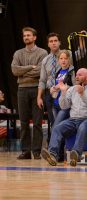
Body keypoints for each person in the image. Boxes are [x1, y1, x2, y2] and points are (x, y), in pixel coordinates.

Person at [41, 68, 87, 166]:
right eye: (77, 75)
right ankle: (53, 154)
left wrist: (83, 93)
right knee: (57, 128)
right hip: (73, 119)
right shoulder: (72, 89)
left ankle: (76, 154)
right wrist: (63, 92)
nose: (77, 77)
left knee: (83, 127)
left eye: (80, 75)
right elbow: (64, 106)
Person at [11, 27, 48, 159]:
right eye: (24, 36)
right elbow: (15, 70)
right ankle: (25, 151)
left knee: (38, 122)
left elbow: (40, 72)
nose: (26, 37)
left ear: (34, 37)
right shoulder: (18, 53)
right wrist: (29, 67)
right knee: (24, 122)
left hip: (37, 89)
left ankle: (36, 151)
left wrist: (23, 72)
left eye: (28, 35)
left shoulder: (43, 53)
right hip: (22, 90)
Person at [50, 49, 75, 125]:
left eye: (65, 58)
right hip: (55, 103)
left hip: (65, 105)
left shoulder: (72, 71)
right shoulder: (58, 72)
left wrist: (65, 87)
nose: (63, 60)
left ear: (69, 59)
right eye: (61, 58)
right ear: (58, 60)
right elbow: (56, 86)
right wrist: (53, 88)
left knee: (56, 127)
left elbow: (76, 87)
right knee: (58, 128)